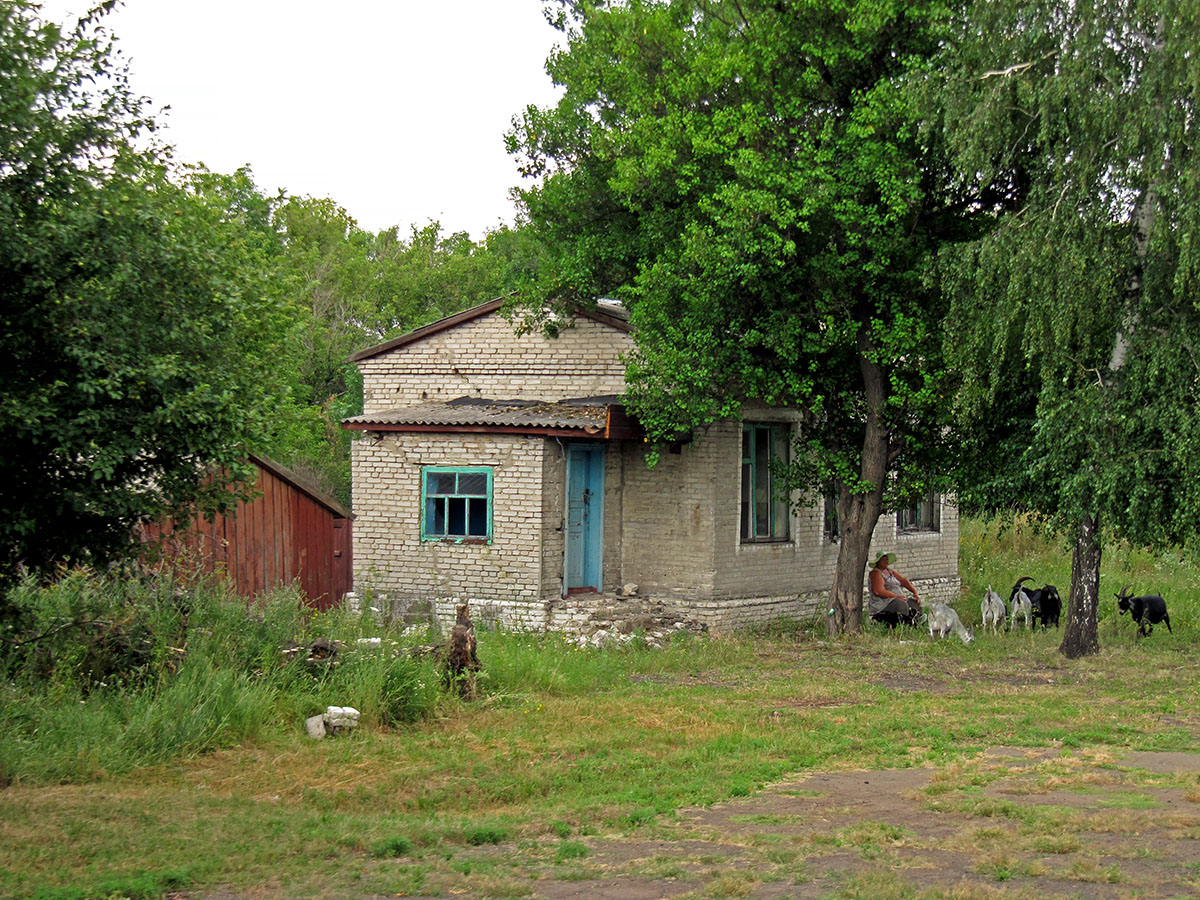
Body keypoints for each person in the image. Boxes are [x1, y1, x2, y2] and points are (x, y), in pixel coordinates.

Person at [867, 552, 921, 627]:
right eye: (883, 560)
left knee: (914, 604)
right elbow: (878, 591)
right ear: (878, 562)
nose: (886, 561)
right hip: (883, 604)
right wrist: (896, 596)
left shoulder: (890, 571)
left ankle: (916, 623)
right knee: (901, 605)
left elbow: (903, 581)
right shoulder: (876, 573)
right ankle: (902, 625)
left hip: (897, 599)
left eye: (887, 559)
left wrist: (914, 592)